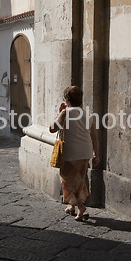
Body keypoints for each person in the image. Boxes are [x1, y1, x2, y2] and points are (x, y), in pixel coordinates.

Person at [49, 86, 99, 221]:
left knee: (67, 181)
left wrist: (59, 113)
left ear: (67, 100)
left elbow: (52, 128)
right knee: (79, 180)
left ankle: (80, 206)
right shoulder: (88, 115)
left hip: (70, 153)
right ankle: (72, 206)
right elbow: (94, 137)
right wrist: (96, 154)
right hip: (85, 152)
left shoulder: (65, 113)